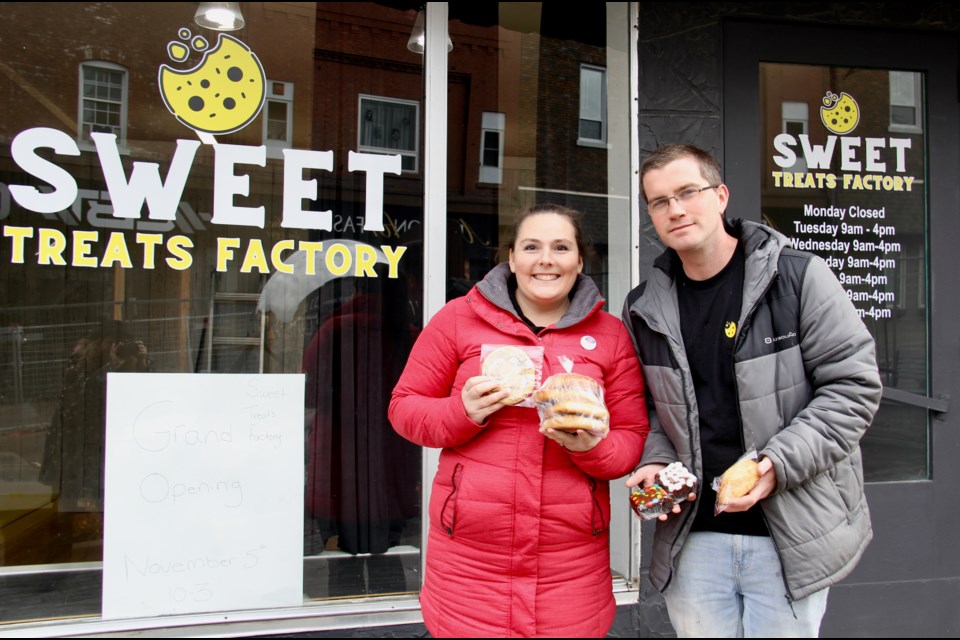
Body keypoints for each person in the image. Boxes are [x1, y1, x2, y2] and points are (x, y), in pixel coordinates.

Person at [622, 144, 882, 637]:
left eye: (687, 192)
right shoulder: (644, 306)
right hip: (694, 537)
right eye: (658, 201)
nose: (674, 209)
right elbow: (652, 409)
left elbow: (853, 389)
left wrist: (775, 464)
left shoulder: (798, 277)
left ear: (720, 196)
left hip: (790, 531)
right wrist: (654, 460)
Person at [389, 204, 649, 637]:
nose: (546, 259)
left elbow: (632, 436)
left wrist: (592, 448)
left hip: (570, 566)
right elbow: (404, 408)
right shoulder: (457, 319)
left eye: (561, 247)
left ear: (580, 261)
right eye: (532, 247)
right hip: (470, 561)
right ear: (511, 258)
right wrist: (462, 412)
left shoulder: (610, 334)